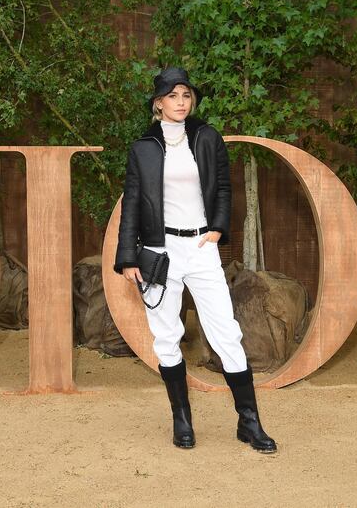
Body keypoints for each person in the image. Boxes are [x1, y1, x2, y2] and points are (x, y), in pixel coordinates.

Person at [113, 67, 277, 453]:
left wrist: (217, 228)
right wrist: (127, 257)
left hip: (202, 248)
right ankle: (182, 420)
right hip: (159, 252)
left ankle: (249, 423)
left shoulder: (207, 138)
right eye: (173, 96)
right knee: (167, 336)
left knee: (227, 333)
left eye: (186, 96)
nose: (181, 103)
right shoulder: (142, 149)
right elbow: (132, 203)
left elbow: (223, 185)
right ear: (159, 103)